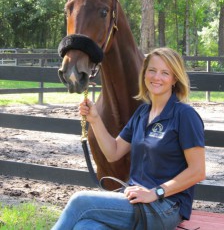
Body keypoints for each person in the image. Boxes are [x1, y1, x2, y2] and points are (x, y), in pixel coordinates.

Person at [52, 47, 205, 230]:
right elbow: (113, 152)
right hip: (134, 199)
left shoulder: (185, 115)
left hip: (166, 207)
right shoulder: (142, 113)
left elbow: (198, 171)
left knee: (80, 201)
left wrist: (155, 192)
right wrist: (94, 119)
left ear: (174, 79)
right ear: (144, 74)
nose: (157, 77)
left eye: (165, 73)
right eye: (152, 70)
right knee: (86, 226)